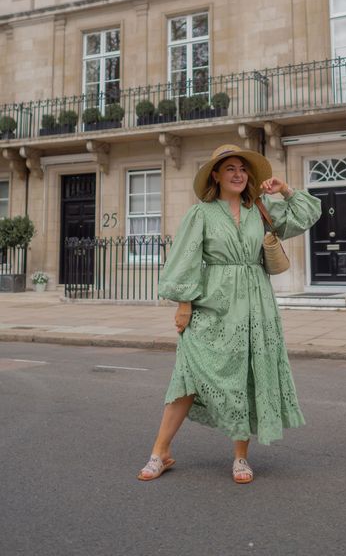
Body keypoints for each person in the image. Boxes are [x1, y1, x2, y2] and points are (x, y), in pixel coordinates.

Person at [138, 144, 321, 484]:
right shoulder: (202, 213)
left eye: (242, 168)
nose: (238, 174)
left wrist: (285, 190)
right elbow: (186, 258)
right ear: (216, 176)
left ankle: (240, 458)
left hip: (255, 305)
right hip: (214, 304)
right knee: (187, 375)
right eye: (230, 169)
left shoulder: (260, 209)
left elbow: (307, 215)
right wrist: (183, 303)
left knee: (247, 377)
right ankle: (159, 451)